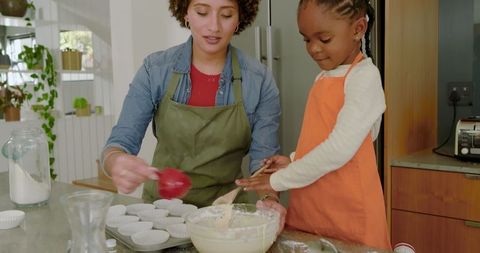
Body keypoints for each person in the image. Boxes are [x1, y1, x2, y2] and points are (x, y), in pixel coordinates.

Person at [101, 0, 285, 223]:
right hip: (161, 213)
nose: (214, 26)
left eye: (226, 15)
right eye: (202, 12)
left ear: (239, 19)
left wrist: (268, 198)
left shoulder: (259, 80)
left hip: (225, 214)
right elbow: (120, 142)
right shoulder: (156, 70)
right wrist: (116, 161)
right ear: (185, 13)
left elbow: (263, 163)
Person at [236, 0, 391, 250]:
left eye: (324, 39)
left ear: (358, 29)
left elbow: (341, 148)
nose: (314, 49)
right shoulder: (324, 76)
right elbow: (322, 138)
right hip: (312, 206)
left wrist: (277, 182)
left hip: (348, 212)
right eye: (306, 40)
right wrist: (295, 160)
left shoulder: (364, 77)